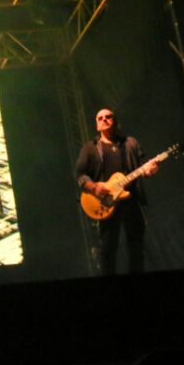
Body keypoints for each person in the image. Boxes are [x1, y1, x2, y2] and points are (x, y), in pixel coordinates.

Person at [74, 108, 158, 275]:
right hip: (106, 203)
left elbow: (144, 166)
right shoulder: (90, 148)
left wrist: (150, 169)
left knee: (136, 248)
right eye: (100, 118)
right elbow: (80, 174)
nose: (104, 119)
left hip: (131, 202)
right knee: (108, 251)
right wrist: (94, 187)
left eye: (108, 117)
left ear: (115, 120)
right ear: (97, 124)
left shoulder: (131, 143)